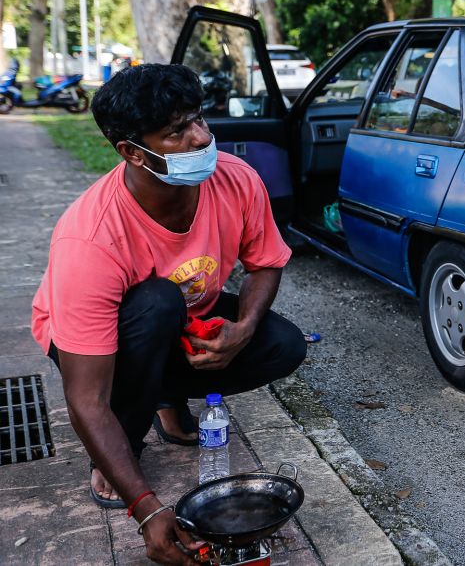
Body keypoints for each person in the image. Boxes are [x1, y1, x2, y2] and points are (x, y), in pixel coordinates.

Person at [30, 64, 306, 565]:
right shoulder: (89, 236)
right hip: (101, 335)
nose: (201, 136)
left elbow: (266, 262)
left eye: (198, 118)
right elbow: (86, 398)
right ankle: (119, 452)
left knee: (281, 344)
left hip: (180, 314)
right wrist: (144, 506)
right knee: (157, 304)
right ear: (133, 152)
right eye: (177, 131)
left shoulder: (235, 178)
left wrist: (242, 331)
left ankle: (166, 398)